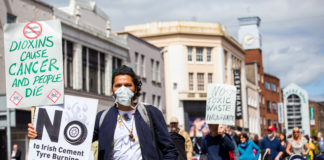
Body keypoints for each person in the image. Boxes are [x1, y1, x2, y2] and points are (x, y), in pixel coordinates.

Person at [28, 65, 178, 160]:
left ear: (136, 89)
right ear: (112, 90)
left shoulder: (150, 113)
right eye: (118, 85)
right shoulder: (102, 118)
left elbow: (170, 150)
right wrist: (41, 134)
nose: (123, 89)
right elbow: (74, 142)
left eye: (128, 85)